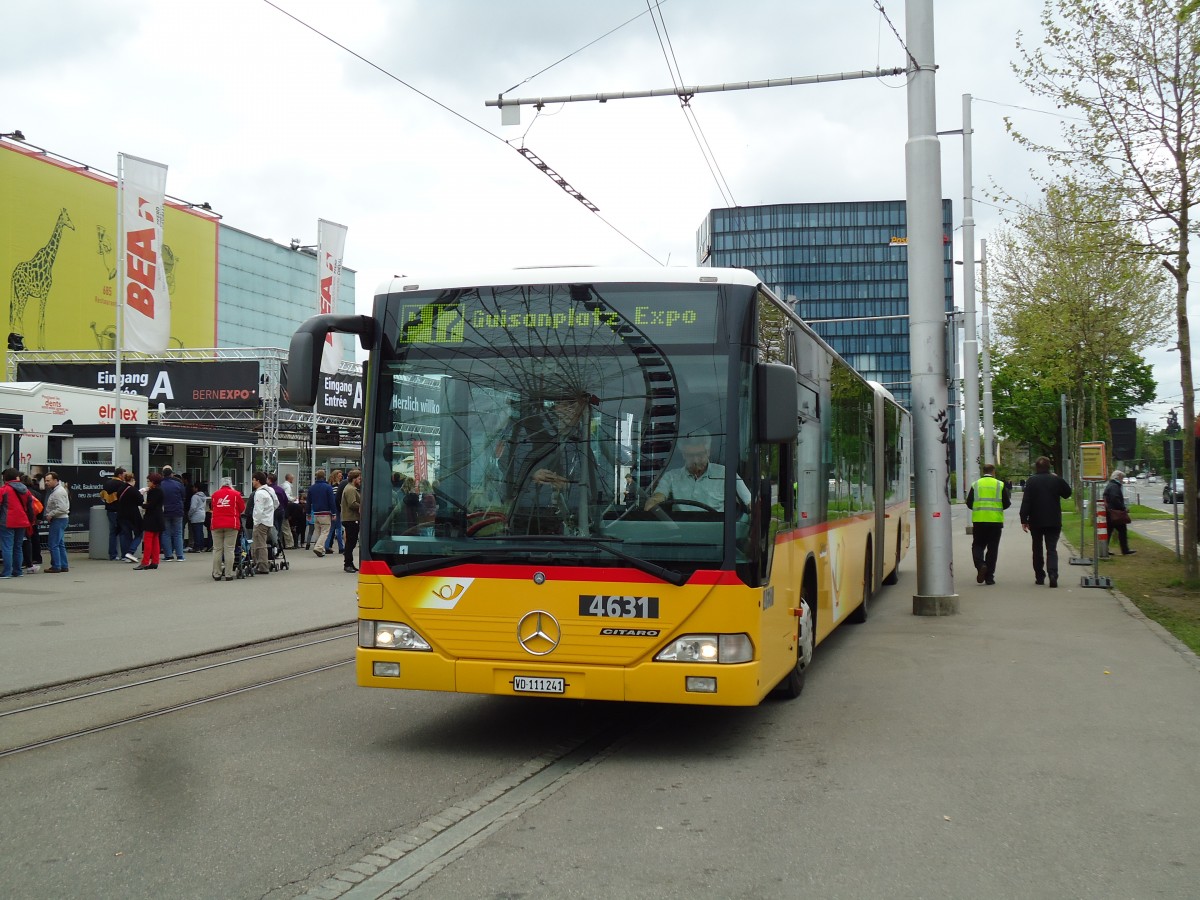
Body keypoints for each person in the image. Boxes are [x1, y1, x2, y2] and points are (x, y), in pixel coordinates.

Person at [645, 434, 752, 513]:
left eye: (700, 455)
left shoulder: (726, 474)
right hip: (679, 530)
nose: (695, 460)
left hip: (717, 533)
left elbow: (750, 503)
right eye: (691, 456)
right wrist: (652, 505)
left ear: (708, 452)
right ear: (683, 455)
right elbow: (658, 497)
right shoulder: (671, 477)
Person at [1019, 456, 1072, 588]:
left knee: (1037, 549)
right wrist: (1058, 478)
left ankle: (1039, 576)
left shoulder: (1031, 481)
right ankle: (1053, 574)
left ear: (1036, 467)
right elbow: (1067, 493)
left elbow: (1026, 501)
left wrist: (1024, 519)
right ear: (1049, 467)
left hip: (1036, 521)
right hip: (1053, 520)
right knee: (1051, 549)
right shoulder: (1055, 480)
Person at [966, 463, 1012, 585]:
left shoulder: (976, 484)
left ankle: (981, 565)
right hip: (995, 522)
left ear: (983, 471)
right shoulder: (999, 484)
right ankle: (989, 577)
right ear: (993, 472)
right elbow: (1007, 503)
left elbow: (969, 502)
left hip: (979, 521)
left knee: (977, 545)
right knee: (993, 549)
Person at [0, 467, 35, 578]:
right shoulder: (25, 490)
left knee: (7, 547)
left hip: (7, 521)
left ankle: (6, 572)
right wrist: (30, 520)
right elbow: (30, 507)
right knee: (18, 547)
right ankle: (18, 571)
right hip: (22, 521)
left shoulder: (4, 489)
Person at [210, 477, 246, 581]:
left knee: (217, 549)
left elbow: (213, 507)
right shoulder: (236, 494)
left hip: (216, 524)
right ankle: (228, 574)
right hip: (232, 524)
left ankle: (217, 573)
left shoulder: (215, 494)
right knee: (229, 549)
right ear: (231, 484)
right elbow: (242, 508)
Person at [135, 473, 165, 570]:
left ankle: (145, 562)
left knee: (148, 540)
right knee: (155, 540)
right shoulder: (160, 490)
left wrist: (141, 504)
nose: (147, 483)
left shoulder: (154, 492)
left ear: (153, 482)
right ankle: (155, 561)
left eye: (148, 481)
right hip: (158, 517)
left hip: (151, 518)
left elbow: (150, 505)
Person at [42, 471, 70, 574]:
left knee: (53, 543)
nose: (46, 482)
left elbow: (62, 508)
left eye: (48, 480)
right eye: (45, 480)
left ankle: (56, 566)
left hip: (59, 519)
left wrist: (50, 514)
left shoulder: (58, 492)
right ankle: (63, 565)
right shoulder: (58, 490)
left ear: (55, 480)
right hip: (61, 518)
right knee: (60, 543)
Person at [250, 471, 278, 574]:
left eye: (253, 480)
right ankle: (261, 563)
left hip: (261, 522)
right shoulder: (270, 490)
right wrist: (269, 513)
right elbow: (276, 503)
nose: (252, 482)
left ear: (258, 481)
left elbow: (258, 510)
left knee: (259, 544)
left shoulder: (259, 493)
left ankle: (262, 566)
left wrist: (256, 522)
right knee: (263, 542)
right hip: (269, 521)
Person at [1104, 469, 1136, 555]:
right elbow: (1115, 499)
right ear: (1117, 477)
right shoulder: (1115, 486)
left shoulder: (1110, 485)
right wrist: (1123, 508)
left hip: (1109, 512)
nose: (1122, 480)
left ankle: (1104, 549)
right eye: (1122, 478)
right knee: (1122, 530)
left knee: (1108, 531)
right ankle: (1125, 550)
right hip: (1115, 513)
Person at [159, 465, 187, 561]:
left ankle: (168, 555)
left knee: (166, 533)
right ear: (172, 474)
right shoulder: (178, 484)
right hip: (177, 510)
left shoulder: (160, 484)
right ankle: (180, 556)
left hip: (164, 511)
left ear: (162, 474)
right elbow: (183, 496)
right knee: (178, 533)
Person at [307, 469, 336, 557]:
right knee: (325, 531)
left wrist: (308, 513)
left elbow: (308, 502)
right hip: (325, 512)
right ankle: (318, 547)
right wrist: (334, 513)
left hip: (315, 512)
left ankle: (321, 550)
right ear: (324, 476)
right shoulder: (327, 487)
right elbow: (331, 501)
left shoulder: (312, 488)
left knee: (318, 531)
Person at [100, 466, 126, 561]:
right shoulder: (122, 485)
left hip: (110, 511)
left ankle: (113, 555)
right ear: (120, 475)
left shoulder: (107, 483)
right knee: (123, 532)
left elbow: (102, 496)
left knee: (113, 533)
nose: (125, 476)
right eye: (124, 475)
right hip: (120, 511)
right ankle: (124, 555)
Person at [341, 468, 362, 573]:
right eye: (359, 478)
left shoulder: (350, 488)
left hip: (351, 518)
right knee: (350, 543)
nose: (360, 480)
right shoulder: (351, 489)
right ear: (354, 479)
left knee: (351, 542)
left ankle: (350, 563)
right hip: (351, 519)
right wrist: (363, 506)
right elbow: (352, 503)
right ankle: (347, 564)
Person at [324, 468, 346, 555]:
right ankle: (341, 547)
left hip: (331, 509)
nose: (341, 478)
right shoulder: (337, 487)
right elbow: (337, 499)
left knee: (331, 529)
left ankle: (326, 546)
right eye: (340, 476)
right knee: (339, 529)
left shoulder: (329, 486)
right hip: (337, 508)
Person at [188, 483, 210, 553]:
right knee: (200, 531)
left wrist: (189, 514)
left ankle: (196, 547)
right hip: (202, 514)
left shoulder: (195, 497)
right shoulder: (203, 496)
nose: (192, 488)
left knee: (196, 531)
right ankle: (201, 546)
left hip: (196, 515)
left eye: (194, 487)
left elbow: (193, 507)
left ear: (197, 488)